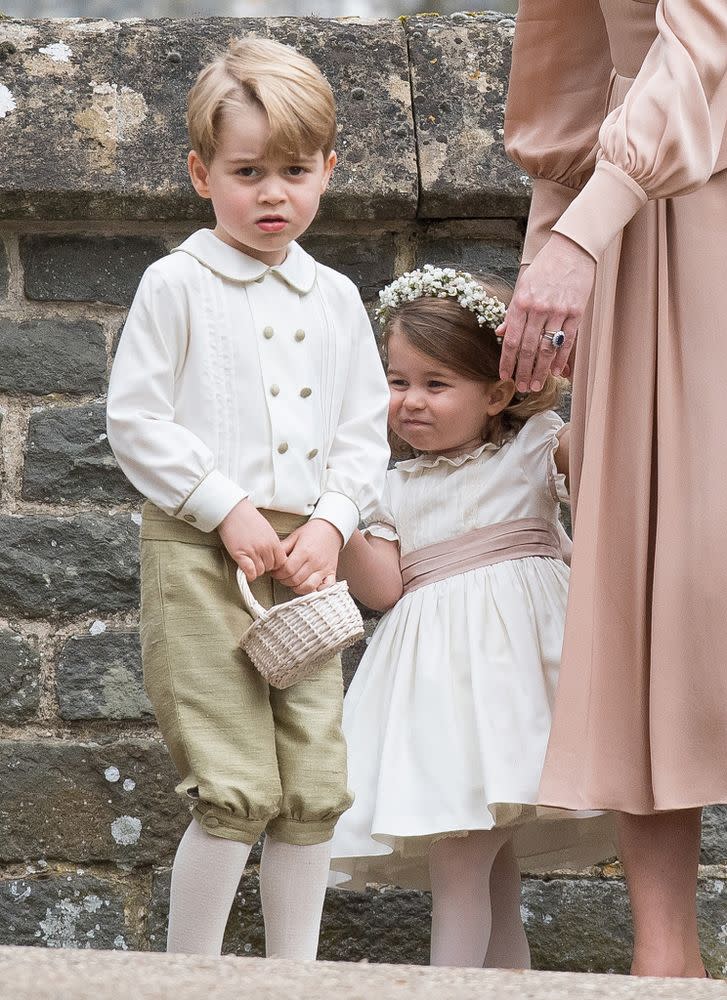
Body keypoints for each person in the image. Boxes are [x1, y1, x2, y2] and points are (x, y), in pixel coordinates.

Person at [106, 37, 390, 959]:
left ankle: (291, 976)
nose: (274, 193)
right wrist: (224, 505)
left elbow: (362, 430)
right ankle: (190, 974)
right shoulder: (176, 284)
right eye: (248, 170)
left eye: (295, 170)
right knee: (234, 780)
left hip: (308, 563)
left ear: (328, 171)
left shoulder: (339, 297)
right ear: (200, 173)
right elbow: (137, 418)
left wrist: (333, 523)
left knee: (312, 778)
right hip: (202, 553)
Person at [500, 0, 727, 979]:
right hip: (649, 240)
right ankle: (663, 962)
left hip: (665, 221)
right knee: (647, 586)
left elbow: (707, 41)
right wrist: (550, 255)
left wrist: (581, 233)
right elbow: (571, 66)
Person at [328, 266, 614, 969]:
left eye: (435, 384)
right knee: (480, 873)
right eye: (398, 382)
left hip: (520, 688)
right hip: (441, 699)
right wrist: (331, 519)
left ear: (495, 392)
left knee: (467, 871)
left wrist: (574, 358)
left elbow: (610, 445)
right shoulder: (388, 484)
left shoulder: (533, 448)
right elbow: (383, 589)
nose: (411, 402)